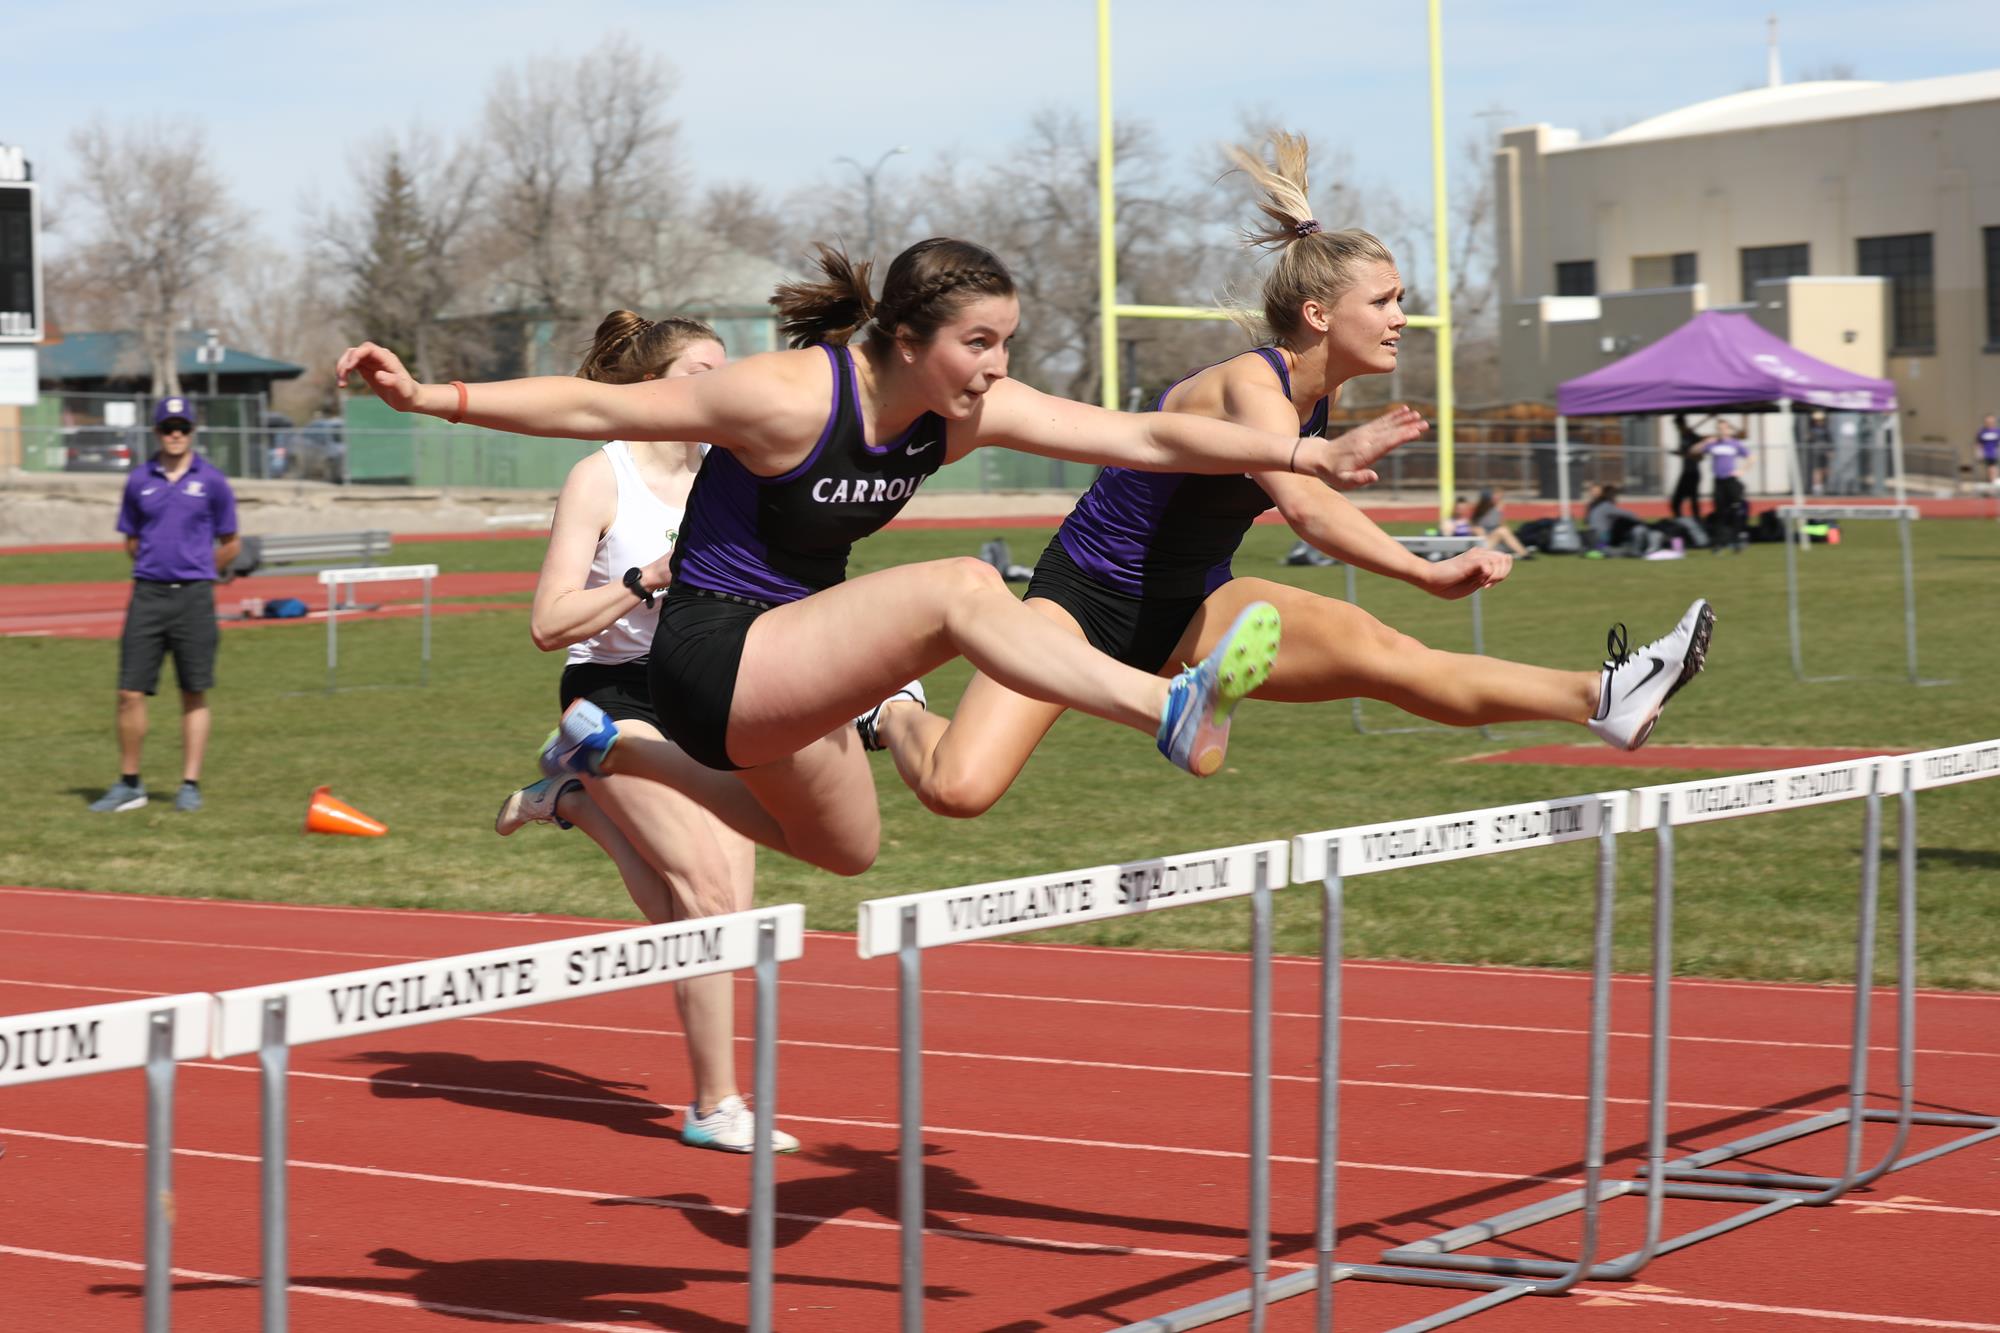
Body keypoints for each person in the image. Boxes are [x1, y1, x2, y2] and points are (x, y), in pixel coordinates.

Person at [334, 237, 1427, 879]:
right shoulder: (787, 394)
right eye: (979, 344)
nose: (998, 368)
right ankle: (1164, 709)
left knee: (847, 851)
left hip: (786, 675)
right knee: (963, 584)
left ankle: (601, 755)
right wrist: (431, 394)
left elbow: (1142, 435)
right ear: (907, 341)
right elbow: (591, 401)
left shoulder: (957, 414)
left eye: (1006, 344)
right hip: (717, 649)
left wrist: (1303, 450)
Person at [869, 132, 1714, 820]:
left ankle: (1604, 694)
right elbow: (1304, 503)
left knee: (1397, 661)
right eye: (1384, 300)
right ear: (1319, 315)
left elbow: (1309, 499)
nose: (1401, 316)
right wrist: (1422, 568)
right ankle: (893, 709)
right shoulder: (1252, 384)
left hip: (1199, 605)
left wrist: (1418, 574)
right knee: (957, 788)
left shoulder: (1317, 401)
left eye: (1399, 298)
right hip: (1083, 599)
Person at [493, 311, 796, 1155]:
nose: (723, 389)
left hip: (703, 688)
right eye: (704, 372)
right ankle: (714, 1104)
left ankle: (574, 804)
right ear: (657, 388)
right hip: (608, 695)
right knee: (701, 895)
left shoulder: (730, 475)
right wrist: (646, 577)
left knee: (725, 911)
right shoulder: (601, 477)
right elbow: (549, 623)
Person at [90, 397, 240, 814]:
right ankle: (129, 783)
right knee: (128, 692)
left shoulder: (212, 481)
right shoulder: (139, 480)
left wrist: (199, 570)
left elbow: (232, 544)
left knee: (194, 691)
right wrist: (156, 565)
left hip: (194, 598)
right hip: (148, 596)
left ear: (192, 431)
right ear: (156, 431)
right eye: (168, 427)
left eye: (183, 427)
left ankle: (189, 783)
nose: (176, 434)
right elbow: (132, 539)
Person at [1695, 420, 1752, 552]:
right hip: (1718, 481)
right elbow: (1693, 451)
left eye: (1724, 428)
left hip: (1731, 480)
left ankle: (1737, 540)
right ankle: (1719, 542)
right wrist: (1705, 442)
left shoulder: (1734, 444)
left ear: (1729, 430)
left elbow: (1751, 457)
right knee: (1720, 512)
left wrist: (1742, 470)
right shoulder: (1713, 444)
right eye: (1719, 428)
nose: (1721, 431)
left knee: (1735, 510)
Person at [1668, 412, 1711, 518]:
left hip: (1693, 474)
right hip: (1685, 473)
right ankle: (1681, 521)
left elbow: (1700, 457)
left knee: (1694, 502)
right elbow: (1684, 452)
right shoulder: (1682, 436)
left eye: (1678, 426)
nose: (1677, 428)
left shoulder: (1693, 437)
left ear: (1683, 424)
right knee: (1675, 502)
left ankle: (1697, 523)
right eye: (1676, 427)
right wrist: (1679, 453)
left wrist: (1684, 454)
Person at [1468, 489, 1533, 558]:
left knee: (1502, 530)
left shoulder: (1496, 510)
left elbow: (1502, 524)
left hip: (1495, 542)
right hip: (1485, 542)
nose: (1497, 498)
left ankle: (1524, 553)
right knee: (1482, 530)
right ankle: (1524, 553)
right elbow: (1473, 526)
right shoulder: (1480, 511)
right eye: (1494, 496)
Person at [1977, 413, 1999, 489]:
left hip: (1995, 452)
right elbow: (1979, 443)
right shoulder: (1982, 432)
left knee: (1993, 467)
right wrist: (1979, 452)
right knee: (1990, 467)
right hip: (1987, 453)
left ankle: (1993, 481)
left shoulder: (1997, 431)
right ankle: (1992, 481)